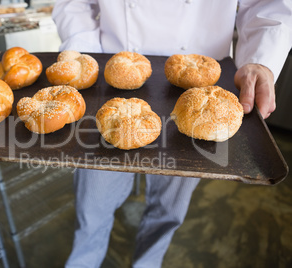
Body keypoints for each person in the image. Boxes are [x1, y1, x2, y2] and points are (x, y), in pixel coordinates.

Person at [52, 1, 292, 267]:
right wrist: (84, 54)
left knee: (169, 210)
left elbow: (268, 4)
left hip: (202, 89)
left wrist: (261, 59)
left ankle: (148, 263)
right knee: (92, 205)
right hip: (111, 75)